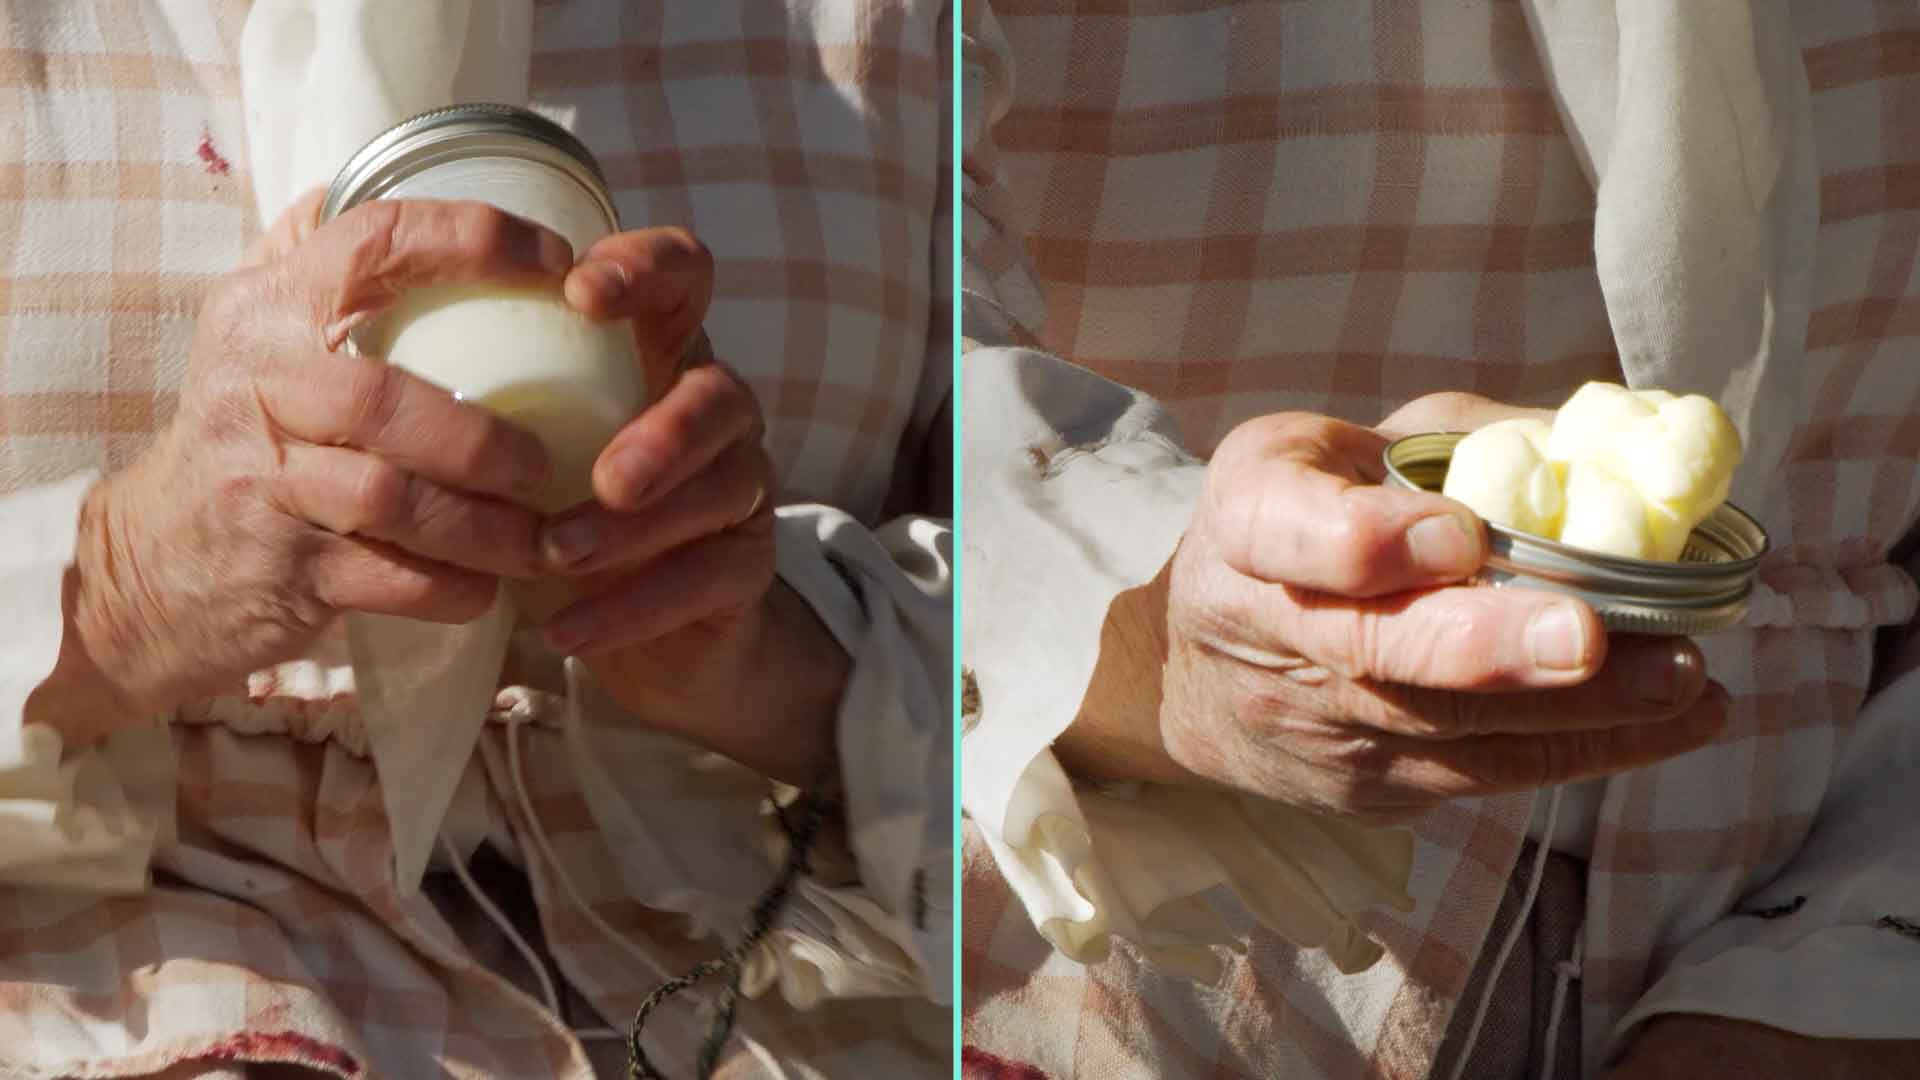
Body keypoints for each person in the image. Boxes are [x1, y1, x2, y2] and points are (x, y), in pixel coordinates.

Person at [960, 2, 1920, 1078]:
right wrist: (1148, 627)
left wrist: (1859, 962)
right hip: (1116, 981)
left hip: (1811, 906)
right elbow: (863, 353)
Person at [0, 2, 952, 1077]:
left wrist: (770, 664)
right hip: (112, 988)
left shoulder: (896, 32)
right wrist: (123, 590)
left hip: (751, 985)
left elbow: (1063, 607)